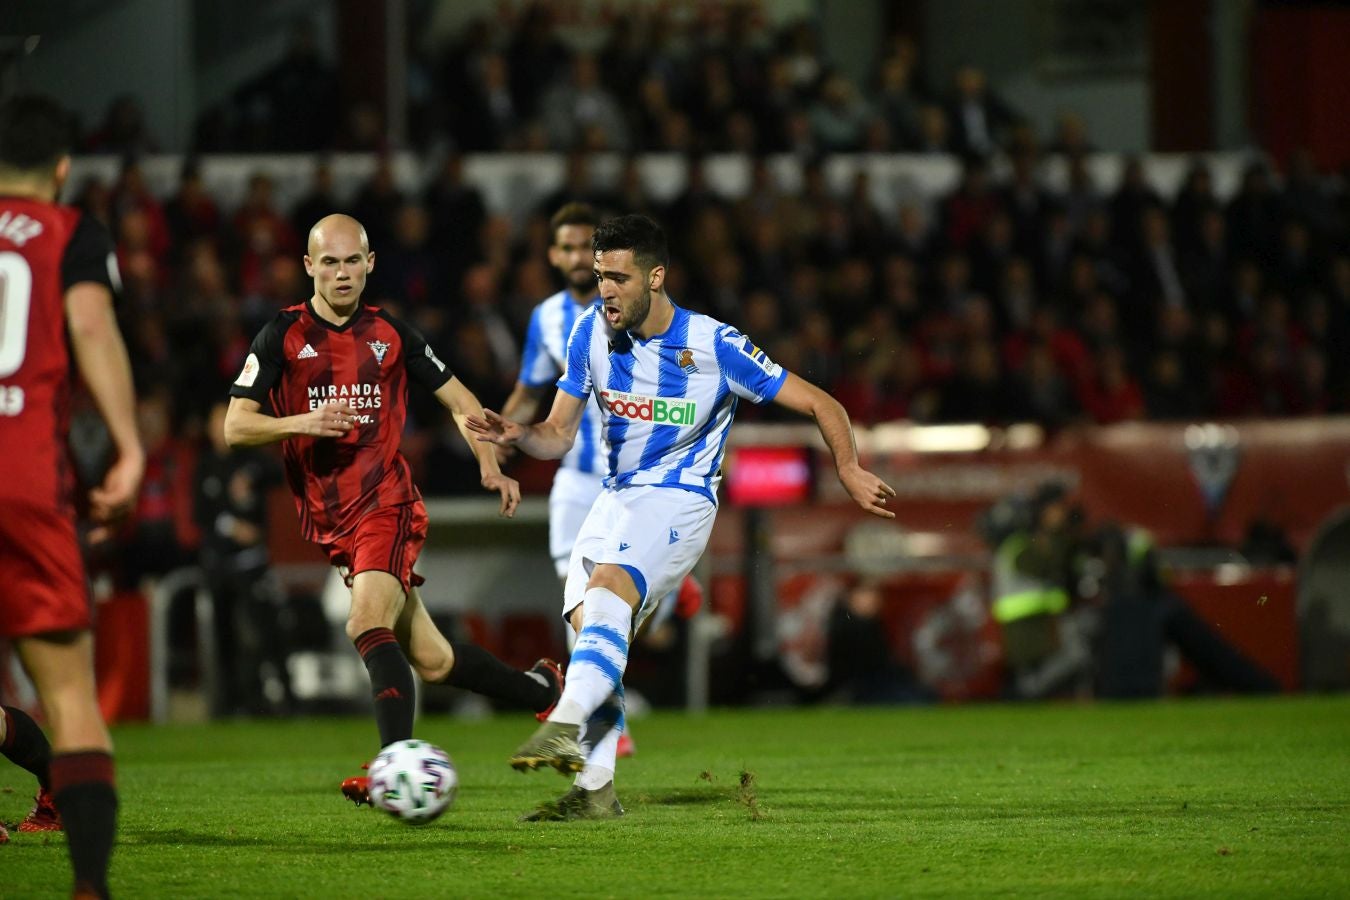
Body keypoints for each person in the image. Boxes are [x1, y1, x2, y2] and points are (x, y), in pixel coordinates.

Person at [467, 214, 896, 820]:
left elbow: (821, 402)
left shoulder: (714, 345)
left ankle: (563, 722)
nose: (605, 290)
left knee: (610, 592)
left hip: (680, 498)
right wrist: (518, 433)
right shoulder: (588, 331)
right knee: (595, 629)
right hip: (613, 498)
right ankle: (594, 792)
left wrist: (848, 467)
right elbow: (557, 434)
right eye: (598, 276)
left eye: (618, 277)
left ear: (656, 276)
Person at [223, 214, 563, 806]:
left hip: (386, 503)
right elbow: (235, 426)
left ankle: (393, 767)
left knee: (364, 622)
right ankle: (541, 686)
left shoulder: (392, 334)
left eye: (352, 260)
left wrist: (488, 462)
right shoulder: (279, 337)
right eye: (329, 262)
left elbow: (461, 402)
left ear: (370, 263)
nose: (342, 273)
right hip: (331, 523)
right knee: (432, 662)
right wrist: (302, 422)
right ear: (309, 267)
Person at [0, 95, 145, 897]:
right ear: (60, 168)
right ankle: (89, 888)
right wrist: (127, 446)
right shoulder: (70, 231)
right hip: (26, 478)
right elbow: (91, 326)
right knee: (69, 697)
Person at [497, 203, 701, 757]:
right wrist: (494, 441)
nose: (577, 259)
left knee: (621, 609)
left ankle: (664, 590)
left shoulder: (646, 318)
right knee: (584, 604)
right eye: (565, 248)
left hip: (641, 482)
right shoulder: (551, 319)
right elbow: (530, 393)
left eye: (585, 249)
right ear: (555, 255)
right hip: (578, 477)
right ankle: (605, 725)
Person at [194, 400, 294, 716]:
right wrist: (230, 526)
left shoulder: (252, 460)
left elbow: (278, 474)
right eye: (215, 422)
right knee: (224, 637)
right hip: (220, 566)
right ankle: (228, 704)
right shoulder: (205, 466)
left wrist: (251, 476)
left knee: (268, 632)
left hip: (253, 563)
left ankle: (285, 700)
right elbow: (199, 515)